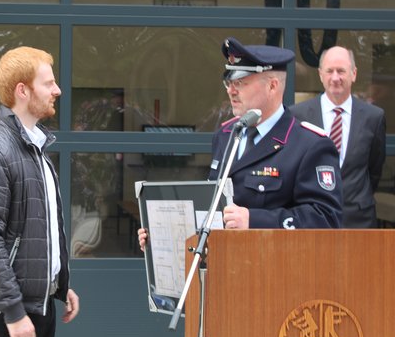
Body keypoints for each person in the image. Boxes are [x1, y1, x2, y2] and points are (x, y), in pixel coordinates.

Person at [138, 37, 342, 249]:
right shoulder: (225, 135)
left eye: (240, 83)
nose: (231, 90)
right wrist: (164, 236)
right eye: (229, 82)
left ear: (272, 86)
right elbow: (212, 210)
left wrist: (254, 220)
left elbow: (326, 219)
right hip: (224, 263)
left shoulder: (308, 145)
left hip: (274, 264)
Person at [0, 46, 79, 337]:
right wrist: (13, 312)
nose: (58, 90)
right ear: (22, 91)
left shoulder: (35, 147)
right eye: (48, 83)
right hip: (6, 314)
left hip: (36, 306)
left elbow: (37, 230)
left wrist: (58, 285)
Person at [290, 46, 386, 228]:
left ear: (354, 74)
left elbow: (374, 169)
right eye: (329, 71)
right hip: (313, 219)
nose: (335, 78)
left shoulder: (373, 117)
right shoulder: (298, 115)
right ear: (320, 74)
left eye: (341, 71)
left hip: (358, 220)